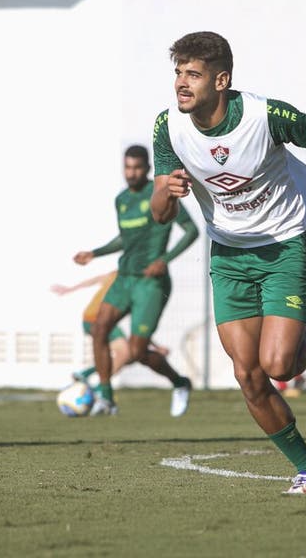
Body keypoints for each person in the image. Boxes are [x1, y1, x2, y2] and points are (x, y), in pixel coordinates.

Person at [150, 32, 306, 494]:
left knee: (279, 366)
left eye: (193, 74)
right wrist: (164, 192)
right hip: (227, 256)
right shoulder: (167, 126)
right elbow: (159, 212)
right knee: (248, 376)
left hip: (284, 248)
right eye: (177, 73)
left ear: (221, 79)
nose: (181, 84)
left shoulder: (265, 115)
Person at [74, 144, 199, 416]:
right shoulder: (121, 200)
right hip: (124, 278)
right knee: (99, 328)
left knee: (137, 350)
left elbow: (192, 231)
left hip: (149, 283)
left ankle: (180, 383)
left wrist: (164, 260)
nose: (131, 173)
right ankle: (106, 397)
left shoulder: (160, 196)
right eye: (127, 167)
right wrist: (94, 253)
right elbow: (125, 238)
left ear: (147, 169)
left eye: (137, 167)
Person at [50, 271, 171, 395]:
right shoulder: (126, 279)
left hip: (92, 320)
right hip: (97, 320)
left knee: (128, 356)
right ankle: (100, 389)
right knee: (126, 353)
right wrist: (70, 289)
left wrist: (70, 289)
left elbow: (95, 279)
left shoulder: (119, 275)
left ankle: (87, 374)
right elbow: (137, 323)